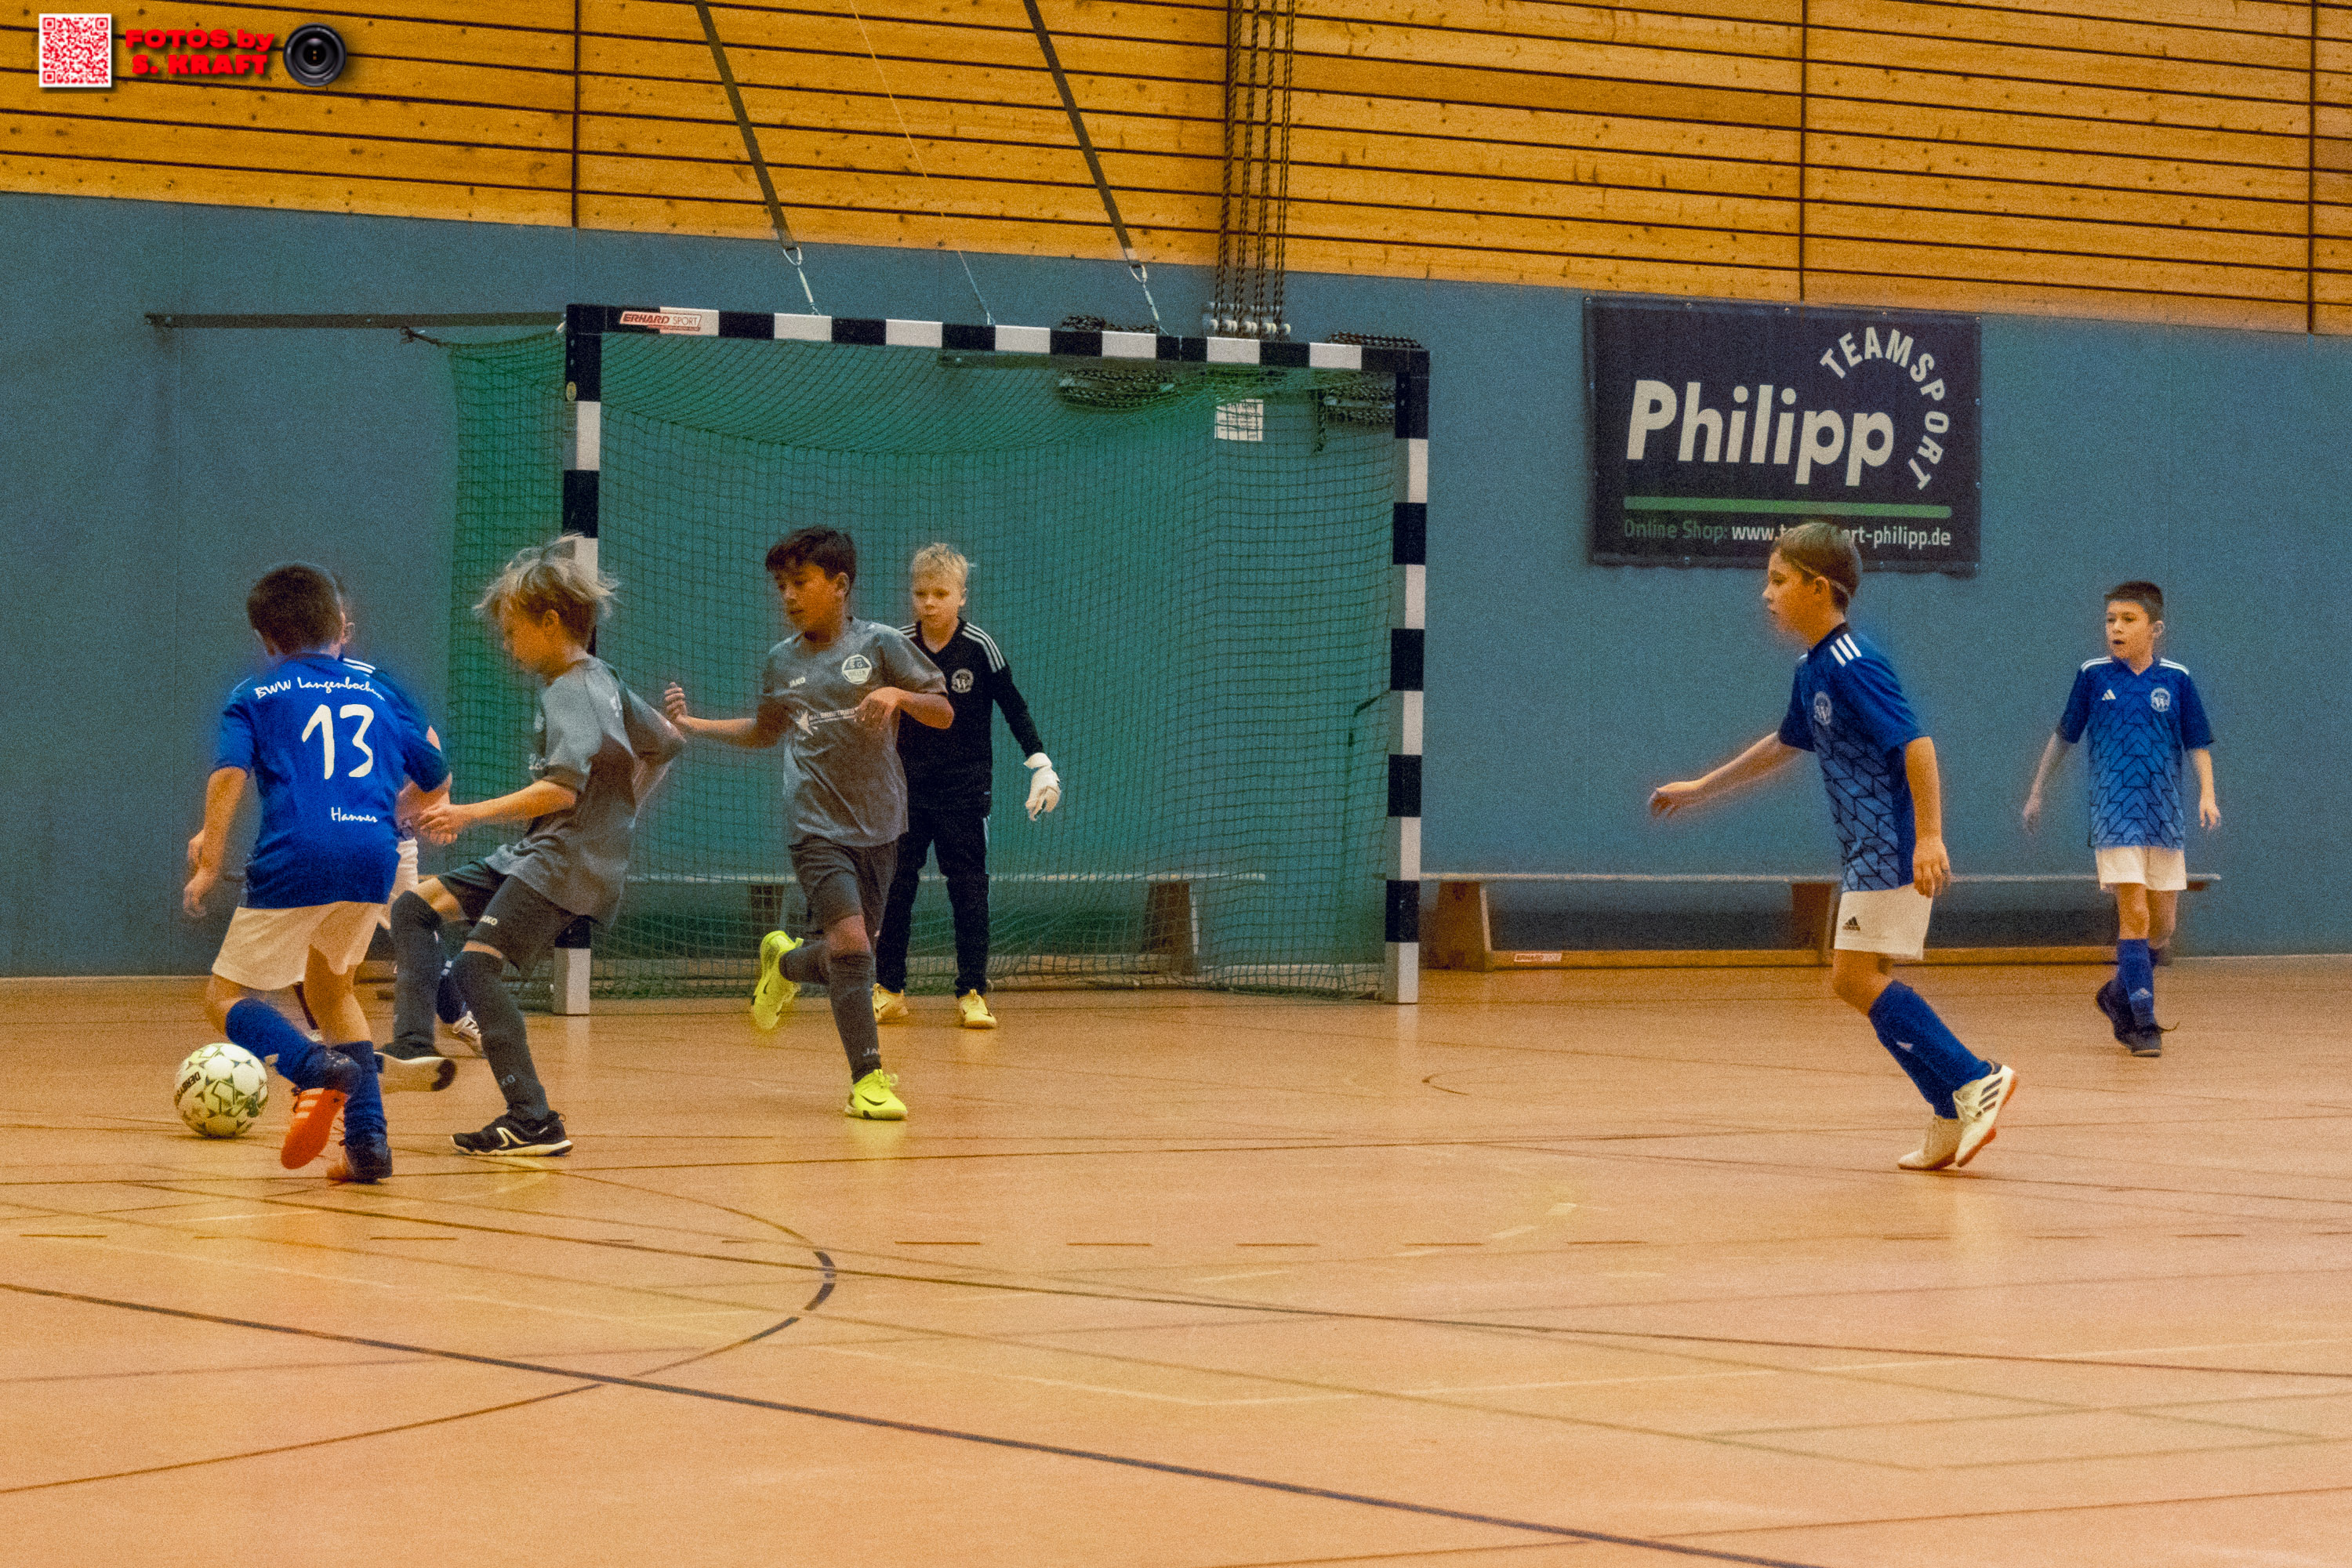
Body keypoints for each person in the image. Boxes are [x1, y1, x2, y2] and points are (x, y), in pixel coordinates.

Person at [1649, 521, 2018, 1172]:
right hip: (1866, 849)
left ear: (1819, 589)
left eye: (1778, 581)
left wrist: (1930, 837)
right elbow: (1785, 743)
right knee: (1857, 980)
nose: (1766, 594)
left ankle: (1974, 1078)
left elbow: (1917, 746)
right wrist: (1704, 786)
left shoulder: (1853, 663)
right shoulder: (1811, 667)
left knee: (1853, 978)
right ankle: (1949, 1107)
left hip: (1892, 845)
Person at [386, 536, 681, 1156]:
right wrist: (622, 813)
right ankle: (412, 1044)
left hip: (562, 861)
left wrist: (467, 813)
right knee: (413, 908)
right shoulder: (604, 679)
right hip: (544, 852)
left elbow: (561, 791)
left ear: (549, 622)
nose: (506, 644)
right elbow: (665, 743)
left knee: (476, 968)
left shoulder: (571, 688)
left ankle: (533, 1118)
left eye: (512, 630)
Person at [663, 526, 951, 1120]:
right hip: (814, 826)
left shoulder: (880, 646)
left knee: (853, 956)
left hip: (881, 824)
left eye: (800, 582)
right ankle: (867, 1081)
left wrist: (899, 696)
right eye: (781, 586)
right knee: (852, 946)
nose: (789, 596)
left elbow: (944, 711)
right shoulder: (781, 661)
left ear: (840, 585)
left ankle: (786, 963)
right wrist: (698, 725)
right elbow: (765, 730)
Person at [183, 562, 449, 1182]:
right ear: (340, 626)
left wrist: (210, 857)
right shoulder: (380, 687)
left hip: (296, 856)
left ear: (266, 640)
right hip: (373, 857)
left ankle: (310, 1067)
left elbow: (229, 775)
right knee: (333, 991)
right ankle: (368, 1146)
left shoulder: (254, 693)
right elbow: (436, 778)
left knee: (224, 996)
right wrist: (387, 818)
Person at [2022, 581, 2218, 1057]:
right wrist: (2037, 791)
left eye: (2128, 620)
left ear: (2155, 629)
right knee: (2135, 914)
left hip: (2164, 817)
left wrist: (2208, 794)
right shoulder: (2093, 676)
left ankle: (2116, 994)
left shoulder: (2176, 679)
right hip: (2114, 815)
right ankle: (2143, 1024)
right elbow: (2063, 737)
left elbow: (2197, 742)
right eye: (2111, 620)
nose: (2116, 628)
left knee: (2163, 927)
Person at [873, 543, 1060, 1029]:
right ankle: (889, 989)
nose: (929, 602)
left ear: (961, 596)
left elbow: (1014, 707)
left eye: (941, 593)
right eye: (921, 593)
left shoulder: (980, 647)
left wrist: (1041, 765)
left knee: (969, 891)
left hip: (964, 791)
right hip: (905, 792)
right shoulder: (896, 645)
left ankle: (972, 992)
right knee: (896, 888)